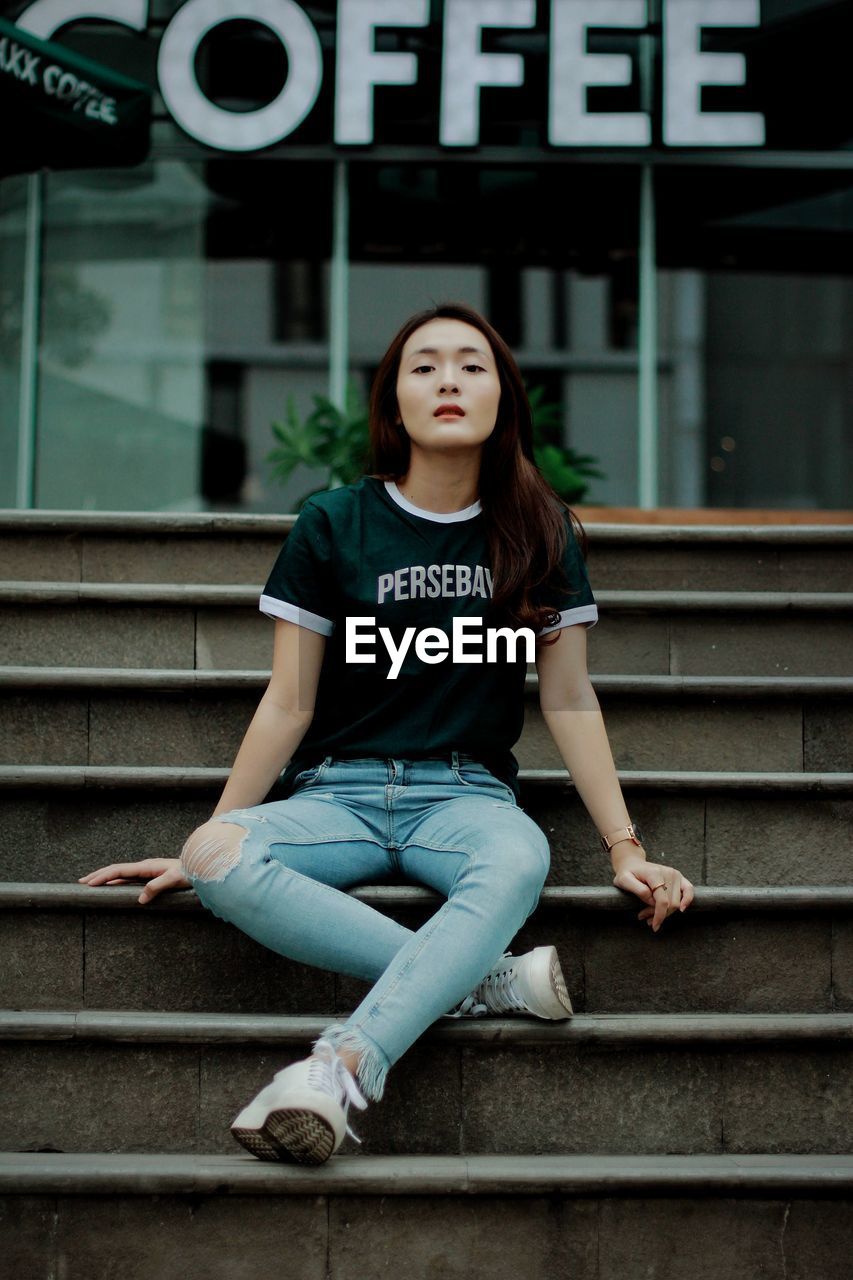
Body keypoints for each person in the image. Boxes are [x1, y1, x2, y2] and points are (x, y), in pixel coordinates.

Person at [79, 302, 694, 1166]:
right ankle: (481, 982)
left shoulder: (539, 529)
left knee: (519, 859)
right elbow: (288, 702)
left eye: (471, 366)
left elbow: (569, 701)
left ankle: (338, 1068)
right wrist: (213, 832)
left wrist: (624, 848)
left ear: (501, 400)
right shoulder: (333, 523)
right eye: (424, 365)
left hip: (465, 795)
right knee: (218, 854)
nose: (448, 379)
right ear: (393, 403)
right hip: (338, 791)